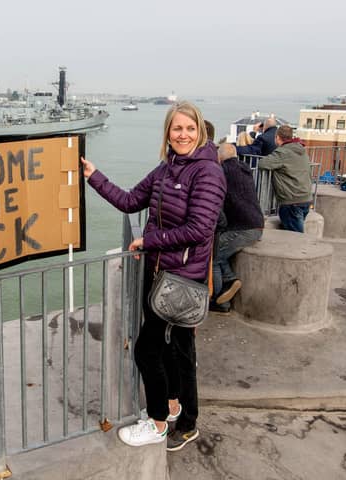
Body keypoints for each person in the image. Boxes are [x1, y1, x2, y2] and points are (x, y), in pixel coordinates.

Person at [80, 101, 226, 451]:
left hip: (181, 278)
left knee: (148, 350)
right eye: (177, 128)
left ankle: (159, 422)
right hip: (160, 275)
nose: (183, 134)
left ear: (200, 132)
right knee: (170, 348)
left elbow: (200, 228)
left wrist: (149, 239)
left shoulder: (207, 172)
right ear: (168, 133)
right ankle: (174, 407)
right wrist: (93, 176)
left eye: (190, 128)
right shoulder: (166, 170)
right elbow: (131, 201)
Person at [210, 143, 264, 314]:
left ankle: (220, 300)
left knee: (214, 256)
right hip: (257, 224)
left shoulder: (222, 173)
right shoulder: (244, 169)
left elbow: (218, 204)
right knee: (220, 252)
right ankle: (229, 280)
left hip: (243, 228)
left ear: (219, 158)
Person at [258, 125, 313, 233]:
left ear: (278, 138)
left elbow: (262, 163)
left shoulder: (283, 152)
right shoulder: (300, 149)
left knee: (296, 238)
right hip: (305, 198)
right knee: (294, 234)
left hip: (292, 202)